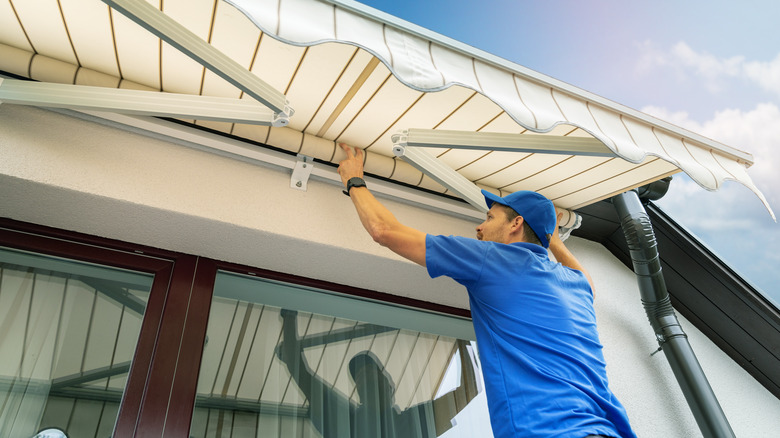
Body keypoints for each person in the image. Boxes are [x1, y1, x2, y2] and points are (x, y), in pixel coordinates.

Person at [336, 143, 636, 438]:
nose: (479, 228)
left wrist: (354, 180)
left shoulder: (494, 259)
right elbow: (587, 280)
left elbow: (384, 232)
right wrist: (552, 240)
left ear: (516, 224)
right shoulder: (576, 287)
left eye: (490, 218)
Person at [276, 309, 478, 437]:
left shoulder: (410, 423)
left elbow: (468, 392)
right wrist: (289, 313)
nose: (368, 383)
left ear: (390, 386)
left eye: (372, 377)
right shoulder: (348, 423)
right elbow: (299, 370)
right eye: (362, 380)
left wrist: (461, 331)